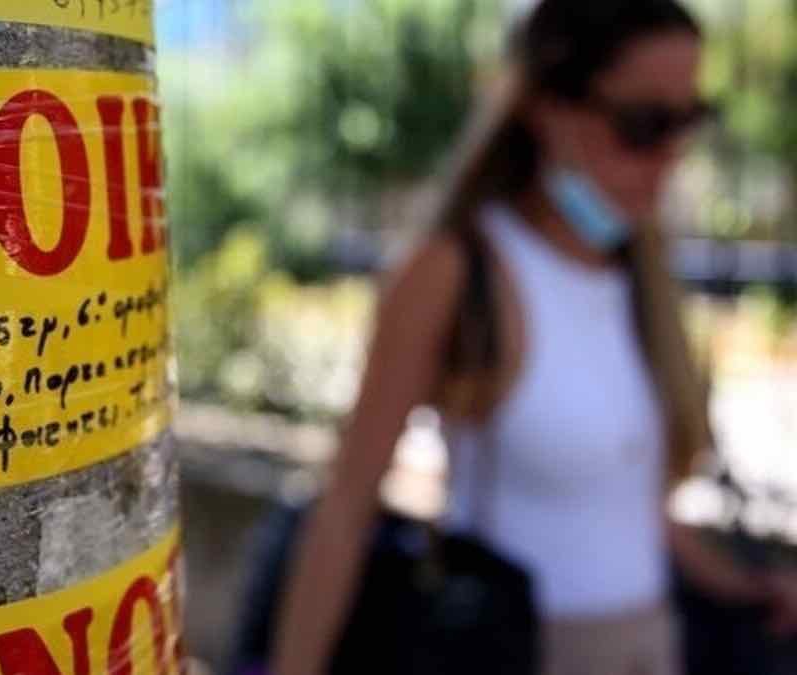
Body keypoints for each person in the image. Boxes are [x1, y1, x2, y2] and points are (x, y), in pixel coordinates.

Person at [270, 2, 797, 674]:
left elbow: (636, 501)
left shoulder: (640, 275)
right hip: (515, 647)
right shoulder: (453, 271)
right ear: (548, 110)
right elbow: (346, 506)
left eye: (689, 119)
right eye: (645, 123)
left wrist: (742, 585)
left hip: (648, 645)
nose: (671, 153)